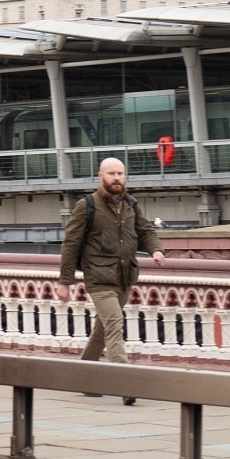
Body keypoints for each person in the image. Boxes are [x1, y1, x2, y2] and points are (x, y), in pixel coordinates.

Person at [57, 157, 165, 402]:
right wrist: (65, 281)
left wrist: (156, 250)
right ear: (101, 176)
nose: (117, 178)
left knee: (102, 329)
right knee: (115, 323)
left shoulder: (130, 204)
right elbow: (71, 244)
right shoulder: (87, 205)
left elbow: (145, 231)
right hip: (98, 278)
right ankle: (124, 384)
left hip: (125, 278)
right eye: (112, 174)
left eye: (120, 174)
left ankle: (84, 376)